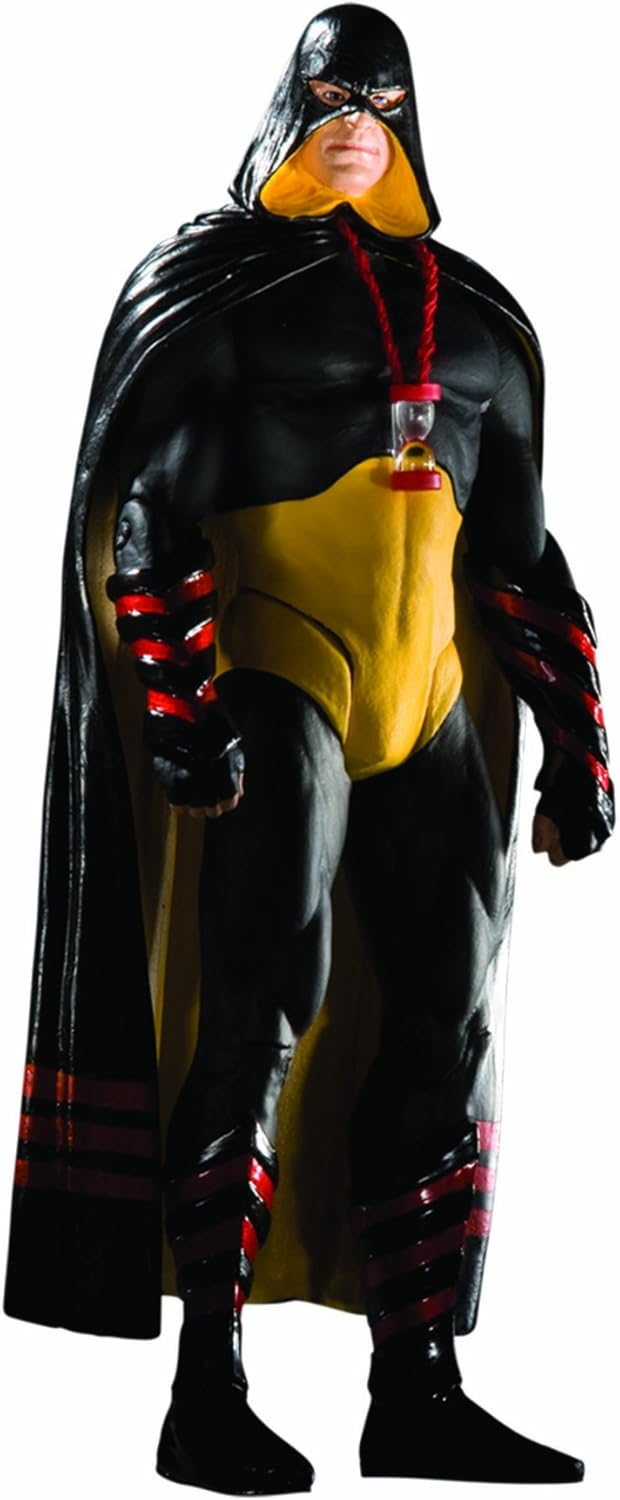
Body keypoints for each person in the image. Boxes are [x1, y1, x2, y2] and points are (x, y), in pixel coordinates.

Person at [4, 4, 613, 1493]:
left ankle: (418, 1388)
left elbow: (521, 552)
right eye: (331, 98)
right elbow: (143, 516)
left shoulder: (481, 322)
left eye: (380, 102)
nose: (354, 125)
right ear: (288, 110)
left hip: (425, 710)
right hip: (284, 685)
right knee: (256, 1013)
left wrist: (576, 739)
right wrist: (180, 709)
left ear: (412, 120)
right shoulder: (213, 296)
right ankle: (204, 1387)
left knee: (444, 1026)